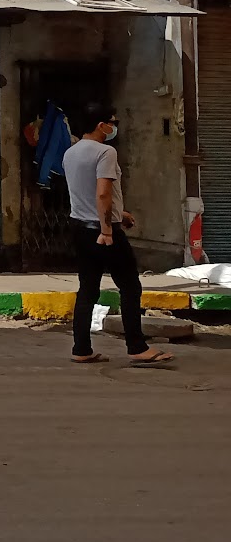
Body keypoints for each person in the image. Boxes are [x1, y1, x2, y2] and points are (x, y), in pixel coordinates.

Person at [65, 103, 172, 366]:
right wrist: (107, 229)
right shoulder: (106, 152)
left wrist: (119, 214)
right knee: (130, 286)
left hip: (80, 227)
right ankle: (137, 346)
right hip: (103, 231)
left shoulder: (71, 152)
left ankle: (81, 348)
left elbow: (86, 193)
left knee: (88, 289)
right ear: (101, 125)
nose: (114, 127)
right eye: (112, 122)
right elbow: (102, 192)